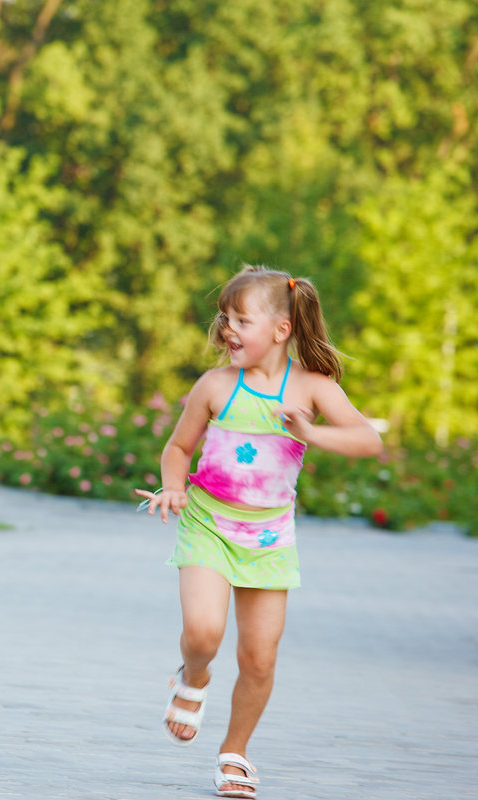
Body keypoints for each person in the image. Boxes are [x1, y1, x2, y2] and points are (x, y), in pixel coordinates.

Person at [135, 265, 382, 798]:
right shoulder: (216, 386)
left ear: (280, 329)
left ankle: (235, 752)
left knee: (260, 657)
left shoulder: (314, 388)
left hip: (270, 541)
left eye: (241, 319)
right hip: (209, 526)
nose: (228, 328)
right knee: (204, 632)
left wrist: (312, 432)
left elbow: (368, 442)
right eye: (225, 317)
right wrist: (174, 486)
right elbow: (177, 448)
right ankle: (193, 675)